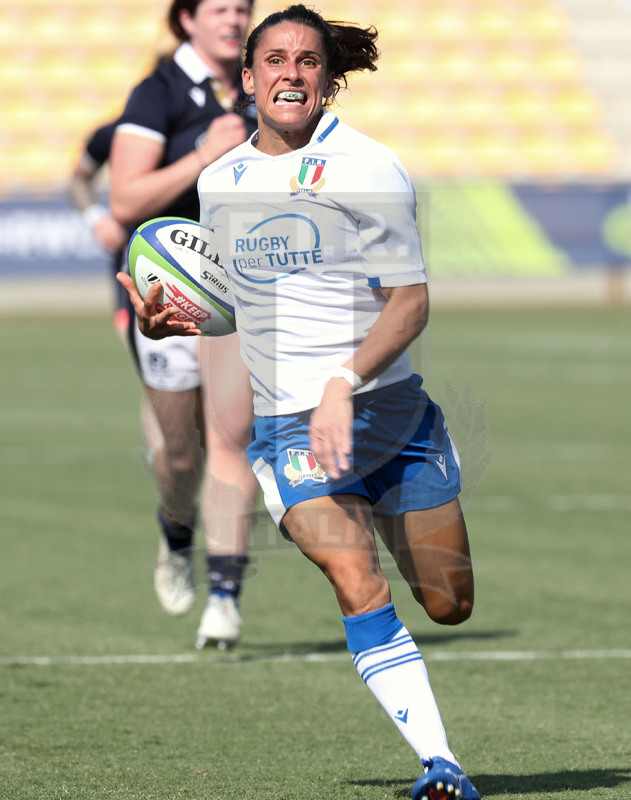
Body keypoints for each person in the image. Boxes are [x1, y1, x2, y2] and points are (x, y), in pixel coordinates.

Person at [119, 4, 482, 797]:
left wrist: (341, 383)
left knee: (449, 603)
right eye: (273, 60)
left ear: (328, 78)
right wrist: (170, 312)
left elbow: (409, 303)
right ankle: (440, 766)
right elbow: (230, 298)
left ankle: (406, 497)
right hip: (291, 425)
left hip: (390, 415)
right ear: (246, 80)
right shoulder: (219, 182)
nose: (291, 73)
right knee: (354, 578)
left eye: (307, 61)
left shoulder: (368, 166)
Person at [109, 0, 259, 649]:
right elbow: (125, 200)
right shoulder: (158, 91)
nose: (233, 19)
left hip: (243, 289)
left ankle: (224, 596)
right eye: (220, 8)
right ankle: (176, 535)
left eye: (243, 8)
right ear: (186, 19)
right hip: (167, 294)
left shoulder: (263, 86)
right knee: (178, 453)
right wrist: (202, 154)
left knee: (231, 435)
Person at [69, 119, 131, 334]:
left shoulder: (206, 122)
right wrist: (97, 219)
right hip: (132, 245)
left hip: (197, 239)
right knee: (132, 328)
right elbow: (79, 179)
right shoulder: (115, 130)